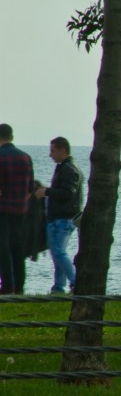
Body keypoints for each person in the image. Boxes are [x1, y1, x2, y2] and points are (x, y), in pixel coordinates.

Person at [34, 137, 83, 294]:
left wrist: (47, 192)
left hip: (62, 218)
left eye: (53, 151)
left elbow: (68, 193)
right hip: (61, 217)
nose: (50, 155)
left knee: (58, 252)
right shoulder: (65, 167)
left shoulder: (68, 169)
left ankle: (75, 282)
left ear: (62, 150)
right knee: (58, 253)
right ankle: (58, 287)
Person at [0, 124, 34, 294]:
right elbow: (30, 188)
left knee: (3, 248)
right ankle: (19, 286)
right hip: (20, 210)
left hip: (2, 209)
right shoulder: (26, 158)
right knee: (18, 249)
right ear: (11, 137)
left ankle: (6, 286)